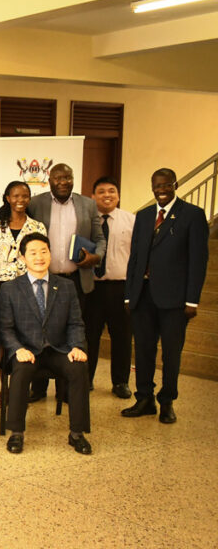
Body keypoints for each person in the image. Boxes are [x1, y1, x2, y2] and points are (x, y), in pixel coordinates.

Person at [122, 168, 209, 424]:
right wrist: (129, 295)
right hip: (143, 295)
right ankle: (144, 398)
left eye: (166, 185)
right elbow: (135, 257)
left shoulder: (192, 215)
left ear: (175, 185)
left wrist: (192, 300)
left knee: (171, 353)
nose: (161, 190)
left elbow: (198, 260)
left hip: (175, 300)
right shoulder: (145, 215)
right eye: (156, 185)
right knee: (144, 350)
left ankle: (167, 401)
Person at [0, 233, 92, 455]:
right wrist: (17, 349)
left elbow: (76, 323)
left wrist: (77, 346)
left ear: (50, 253)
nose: (39, 257)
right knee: (21, 371)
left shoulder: (66, 286)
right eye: (32, 252)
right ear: (22, 258)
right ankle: (17, 433)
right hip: (26, 350)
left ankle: (77, 433)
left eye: (43, 251)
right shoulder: (10, 289)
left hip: (58, 349)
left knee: (79, 368)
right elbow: (5, 328)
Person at [26, 163, 104, 401]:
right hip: (43, 279)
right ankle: (38, 389)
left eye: (68, 177)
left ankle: (70, 389)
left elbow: (100, 238)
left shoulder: (87, 205)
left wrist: (96, 256)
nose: (63, 182)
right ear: (49, 180)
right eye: (58, 178)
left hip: (76, 281)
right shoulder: (36, 203)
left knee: (74, 334)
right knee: (39, 332)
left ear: (73, 179)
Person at [86, 176, 134, 398]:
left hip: (120, 287)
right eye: (102, 191)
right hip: (92, 288)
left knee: (122, 336)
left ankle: (121, 382)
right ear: (93, 196)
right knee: (89, 336)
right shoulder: (86, 220)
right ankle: (85, 379)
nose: (107, 195)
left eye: (112, 191)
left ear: (119, 195)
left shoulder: (131, 221)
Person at [0, 181, 47, 288]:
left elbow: (41, 260)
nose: (20, 200)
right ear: (8, 198)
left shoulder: (38, 227)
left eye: (25, 196)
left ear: (30, 199)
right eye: (16, 196)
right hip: (2, 287)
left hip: (30, 285)